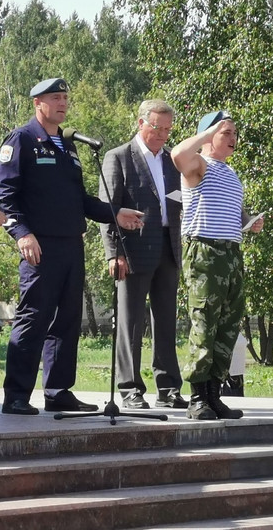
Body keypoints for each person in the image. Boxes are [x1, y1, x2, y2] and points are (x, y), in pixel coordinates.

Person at [0, 78, 144, 415]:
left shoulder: (68, 146)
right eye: (55, 98)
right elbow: (4, 196)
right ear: (38, 103)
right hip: (39, 246)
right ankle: (16, 395)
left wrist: (115, 213)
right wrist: (22, 234)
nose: (62, 103)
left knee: (67, 321)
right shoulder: (22, 140)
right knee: (33, 319)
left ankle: (58, 391)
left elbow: (80, 200)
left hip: (71, 246)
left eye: (64, 97)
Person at [171, 110, 263, 420]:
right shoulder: (199, 164)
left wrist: (249, 221)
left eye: (235, 133)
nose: (233, 138)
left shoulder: (230, 173)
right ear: (209, 135)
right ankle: (197, 397)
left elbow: (232, 212)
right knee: (204, 322)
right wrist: (207, 134)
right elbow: (178, 154)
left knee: (227, 325)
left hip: (231, 253)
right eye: (226, 133)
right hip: (204, 251)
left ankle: (214, 394)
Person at [99, 99, 186, 410]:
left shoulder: (171, 160)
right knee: (131, 322)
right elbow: (108, 210)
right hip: (132, 249)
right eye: (157, 128)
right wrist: (114, 253)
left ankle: (168, 388)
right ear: (140, 123)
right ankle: (130, 388)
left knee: (166, 321)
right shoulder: (119, 157)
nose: (163, 135)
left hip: (168, 247)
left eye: (167, 129)